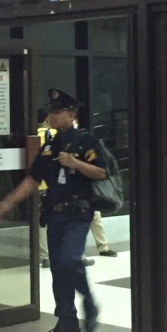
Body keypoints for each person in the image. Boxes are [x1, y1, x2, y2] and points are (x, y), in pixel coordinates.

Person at [0, 88, 106, 332]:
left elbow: (100, 172)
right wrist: (8, 202)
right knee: (58, 269)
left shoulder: (85, 141)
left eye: (58, 111)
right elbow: (33, 179)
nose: (52, 116)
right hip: (54, 214)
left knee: (69, 259)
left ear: (71, 114)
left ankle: (88, 300)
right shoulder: (49, 146)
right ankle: (66, 320)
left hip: (78, 213)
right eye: (51, 111)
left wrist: (75, 163)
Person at [37, 110, 117, 267]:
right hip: (71, 189)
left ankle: (45, 256)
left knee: (43, 220)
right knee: (90, 217)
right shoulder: (60, 137)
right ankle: (100, 247)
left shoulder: (43, 137)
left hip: (44, 185)